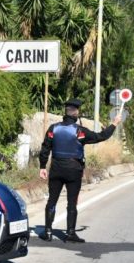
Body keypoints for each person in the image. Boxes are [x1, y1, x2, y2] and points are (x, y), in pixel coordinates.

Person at [38, 98, 121, 243]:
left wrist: (42, 167)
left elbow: (45, 148)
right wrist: (114, 124)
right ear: (76, 113)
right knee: (72, 202)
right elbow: (100, 136)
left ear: (65, 112)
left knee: (52, 200)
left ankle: (48, 232)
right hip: (74, 171)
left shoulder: (53, 128)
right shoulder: (80, 131)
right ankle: (70, 233)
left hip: (56, 169)